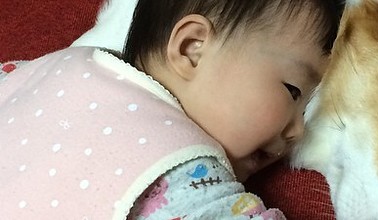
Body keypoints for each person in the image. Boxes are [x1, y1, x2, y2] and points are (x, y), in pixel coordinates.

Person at [0, 0, 342, 219]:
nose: (299, 131)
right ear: (192, 48)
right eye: (293, 91)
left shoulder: (56, 65)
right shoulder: (180, 173)